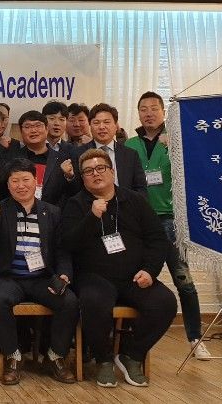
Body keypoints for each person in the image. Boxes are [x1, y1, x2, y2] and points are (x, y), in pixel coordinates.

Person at [61, 149, 176, 388]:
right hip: (94, 276)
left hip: (134, 276)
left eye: (100, 168)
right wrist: (92, 217)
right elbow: (68, 244)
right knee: (94, 301)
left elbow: (157, 239)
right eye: (88, 171)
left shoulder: (135, 201)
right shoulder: (76, 204)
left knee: (165, 302)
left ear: (112, 171)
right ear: (83, 178)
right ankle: (103, 360)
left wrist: (150, 270)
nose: (95, 174)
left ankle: (132, 355)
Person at [125, 91, 210, 360]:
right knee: (135, 279)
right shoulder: (130, 145)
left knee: (183, 280)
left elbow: (196, 171)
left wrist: (176, 146)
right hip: (138, 222)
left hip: (170, 219)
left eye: (154, 108)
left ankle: (195, 338)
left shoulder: (177, 141)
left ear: (163, 111)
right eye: (143, 109)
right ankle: (134, 339)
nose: (148, 113)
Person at [0, 159, 78, 385]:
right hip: (7, 277)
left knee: (69, 302)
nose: (21, 185)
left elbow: (62, 250)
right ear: (8, 184)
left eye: (26, 180)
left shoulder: (52, 212)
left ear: (36, 181)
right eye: (15, 181)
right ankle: (12, 356)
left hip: (41, 277)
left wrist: (64, 274)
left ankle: (55, 356)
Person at [71, 103, 147, 195]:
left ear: (116, 126)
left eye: (106, 122)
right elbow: (75, 190)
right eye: (96, 123)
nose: (102, 127)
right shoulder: (78, 154)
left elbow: (141, 188)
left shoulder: (130, 155)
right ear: (90, 126)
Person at [14, 111, 76, 206]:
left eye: (38, 125)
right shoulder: (12, 158)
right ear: (21, 131)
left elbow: (73, 192)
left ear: (47, 129)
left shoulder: (62, 159)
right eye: (27, 127)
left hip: (53, 212)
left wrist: (69, 176)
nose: (33, 130)